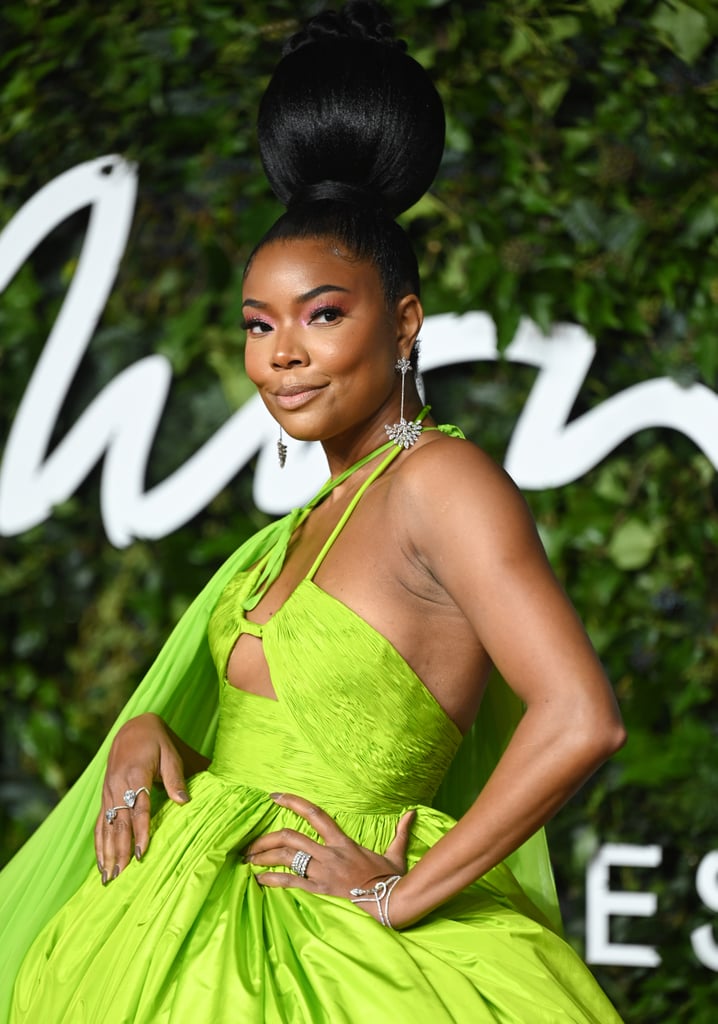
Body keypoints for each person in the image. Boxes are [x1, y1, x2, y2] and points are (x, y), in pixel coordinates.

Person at [1, 3, 627, 1021]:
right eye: (260, 324)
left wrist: (401, 890)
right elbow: (295, 743)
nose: (281, 353)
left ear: (405, 322)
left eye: (323, 313)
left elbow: (580, 717)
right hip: (192, 923)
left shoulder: (440, 483)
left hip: (344, 966)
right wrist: (153, 733)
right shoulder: (312, 517)